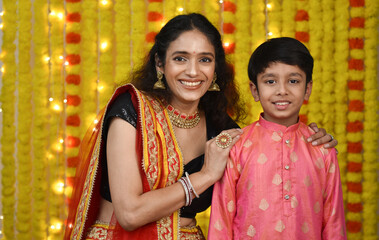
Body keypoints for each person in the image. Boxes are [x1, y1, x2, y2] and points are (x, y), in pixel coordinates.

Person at [64, 14, 337, 240]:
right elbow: (130, 215)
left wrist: (308, 140)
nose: (193, 72)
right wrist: (205, 175)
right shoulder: (131, 109)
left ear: (216, 68)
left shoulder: (222, 128)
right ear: (160, 63)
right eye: (180, 58)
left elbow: (266, 163)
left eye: (205, 59)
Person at [208, 37, 346, 240]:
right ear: (255, 90)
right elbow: (222, 219)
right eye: (270, 81)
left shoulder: (321, 148)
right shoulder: (237, 146)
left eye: (293, 81)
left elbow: (334, 223)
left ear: (307, 89)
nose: (282, 90)